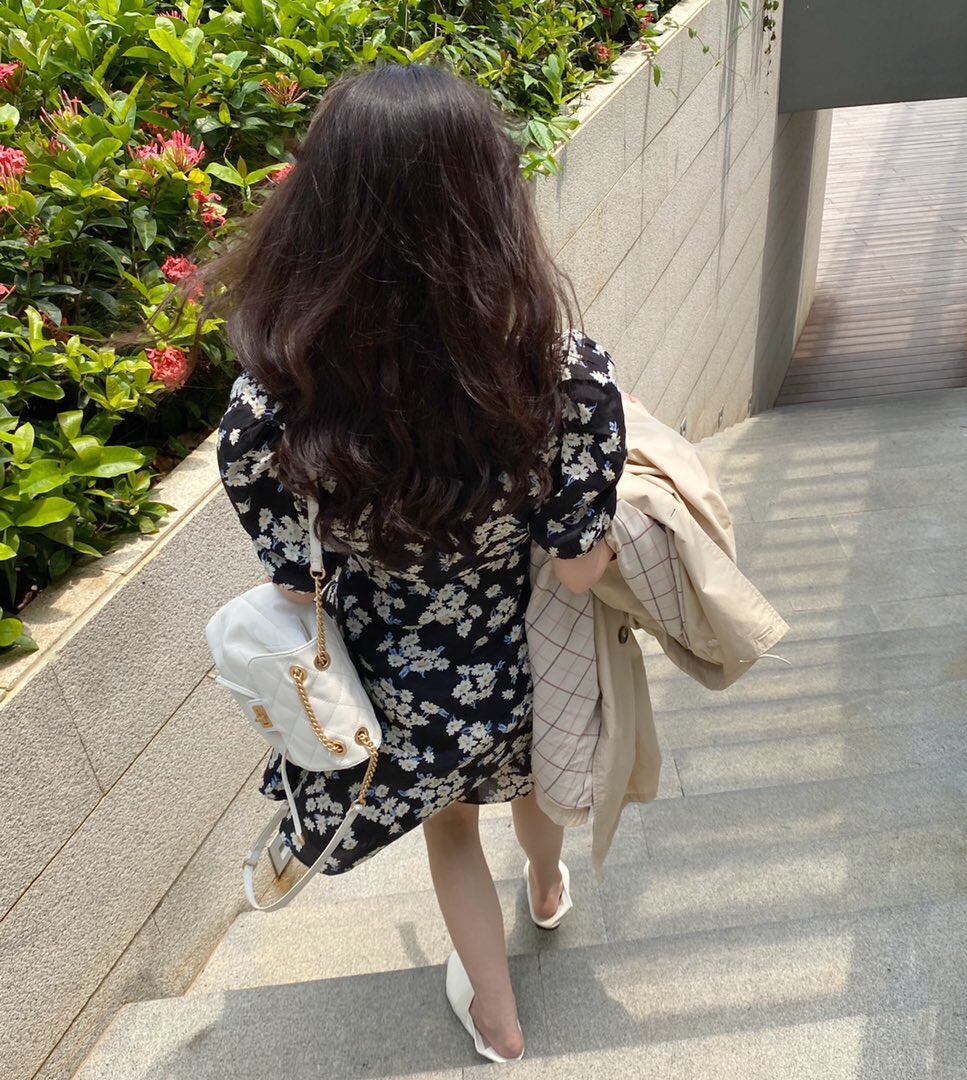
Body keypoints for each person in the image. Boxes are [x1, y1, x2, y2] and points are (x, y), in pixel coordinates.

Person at [202, 66, 627, 1062]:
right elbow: (578, 570)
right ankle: (549, 888)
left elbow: (280, 547)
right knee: (535, 785)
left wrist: (326, 555)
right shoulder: (564, 374)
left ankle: (500, 1021)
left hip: (397, 688)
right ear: (492, 202)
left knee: (453, 831)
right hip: (522, 663)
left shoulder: (281, 394)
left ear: (321, 210)